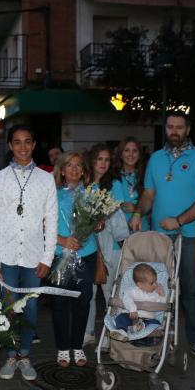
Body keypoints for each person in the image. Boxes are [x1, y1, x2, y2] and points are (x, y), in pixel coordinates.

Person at [130, 111, 195, 358]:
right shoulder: (156, 159)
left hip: (188, 236)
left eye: (180, 127)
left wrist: (179, 220)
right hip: (158, 237)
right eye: (170, 127)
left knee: (191, 290)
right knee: (153, 288)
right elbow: (148, 195)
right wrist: (137, 213)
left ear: (187, 129)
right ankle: (153, 334)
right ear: (165, 129)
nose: (175, 131)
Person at [0, 125, 57, 380]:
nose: (23, 147)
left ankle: (25, 355)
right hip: (5, 255)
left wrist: (47, 258)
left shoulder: (46, 179)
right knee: (8, 307)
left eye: (28, 142)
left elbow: (51, 221)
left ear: (34, 145)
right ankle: (10, 355)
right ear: (10, 146)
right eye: (17, 142)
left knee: (29, 308)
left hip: (33, 256)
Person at [50, 151, 97, 368]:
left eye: (79, 165)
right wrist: (62, 240)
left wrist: (98, 224)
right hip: (60, 255)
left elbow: (99, 219)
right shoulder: (52, 192)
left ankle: (77, 346)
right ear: (62, 169)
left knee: (82, 301)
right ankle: (62, 348)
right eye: (69, 165)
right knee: (59, 303)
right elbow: (43, 224)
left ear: (84, 170)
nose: (74, 169)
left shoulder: (92, 191)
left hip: (86, 255)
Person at [84, 144, 129, 347]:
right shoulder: (84, 184)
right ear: (92, 161)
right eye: (99, 159)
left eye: (107, 160)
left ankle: (112, 334)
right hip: (87, 245)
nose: (103, 164)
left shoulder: (115, 184)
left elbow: (118, 217)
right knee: (88, 292)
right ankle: (88, 332)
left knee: (110, 291)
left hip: (111, 245)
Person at [111, 264, 165, 340]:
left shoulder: (155, 294)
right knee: (120, 318)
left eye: (156, 281)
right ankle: (122, 332)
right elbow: (126, 298)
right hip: (130, 316)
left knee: (156, 323)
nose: (155, 285)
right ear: (140, 284)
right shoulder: (132, 291)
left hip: (147, 319)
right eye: (152, 283)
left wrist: (161, 295)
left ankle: (140, 327)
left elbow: (162, 306)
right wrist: (132, 309)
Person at [114, 137, 149, 231]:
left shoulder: (146, 176)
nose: (131, 154)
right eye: (126, 150)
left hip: (141, 229)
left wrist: (135, 208)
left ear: (140, 155)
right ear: (121, 154)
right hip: (118, 232)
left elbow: (152, 203)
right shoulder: (112, 176)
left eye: (135, 151)